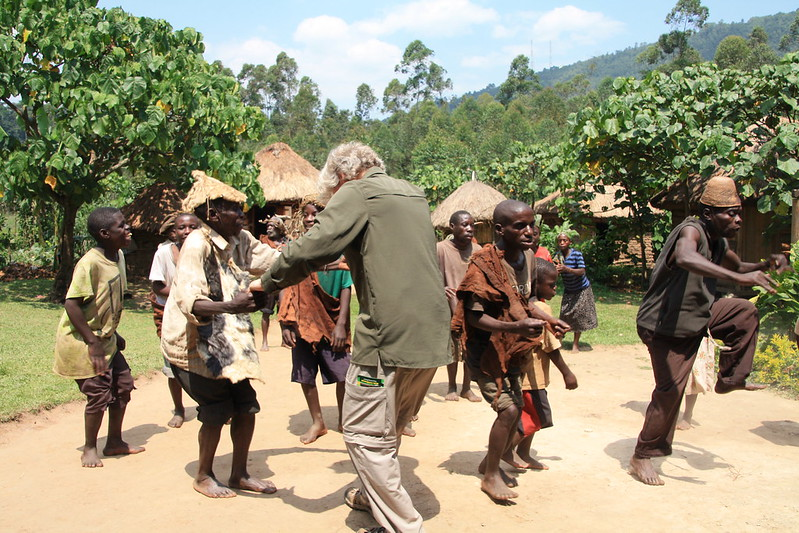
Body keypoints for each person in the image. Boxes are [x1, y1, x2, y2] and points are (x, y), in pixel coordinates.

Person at [252, 142, 450, 533]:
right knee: (388, 426)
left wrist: (266, 283)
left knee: (361, 431)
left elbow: (312, 245)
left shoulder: (357, 192)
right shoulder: (411, 192)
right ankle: (368, 495)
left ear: (341, 177)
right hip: (430, 335)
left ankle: (404, 526)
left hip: (387, 339)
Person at [630, 175, 781, 486]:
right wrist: (741, 280)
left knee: (744, 311)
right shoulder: (690, 231)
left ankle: (730, 378)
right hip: (664, 325)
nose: (739, 219)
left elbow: (739, 268)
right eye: (731, 213)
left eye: (739, 212)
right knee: (670, 391)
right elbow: (685, 257)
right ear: (709, 213)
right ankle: (642, 456)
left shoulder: (718, 241)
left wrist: (766, 265)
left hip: (697, 316)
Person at [160, 171, 279, 498]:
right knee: (215, 410)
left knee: (246, 407)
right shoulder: (196, 245)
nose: (242, 214)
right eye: (234, 209)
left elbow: (274, 261)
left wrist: (319, 254)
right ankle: (203, 475)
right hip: (193, 346)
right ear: (213, 214)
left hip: (229, 340)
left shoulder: (242, 240)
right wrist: (232, 305)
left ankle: (239, 473)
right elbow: (191, 302)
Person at [452, 200, 569, 502]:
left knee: (515, 409)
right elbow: (475, 317)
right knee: (510, 410)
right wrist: (516, 328)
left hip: (513, 350)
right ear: (501, 230)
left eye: (531, 224)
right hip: (485, 350)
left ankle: (487, 464)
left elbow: (524, 302)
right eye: (520, 226)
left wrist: (549, 319)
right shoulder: (484, 262)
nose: (529, 231)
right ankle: (490, 476)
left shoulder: (528, 258)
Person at [53, 207, 145, 467]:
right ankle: (90, 448)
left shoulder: (118, 256)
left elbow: (106, 301)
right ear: (105, 234)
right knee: (98, 394)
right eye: (122, 226)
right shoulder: (90, 263)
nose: (128, 228)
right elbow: (72, 304)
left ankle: (114, 441)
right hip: (83, 342)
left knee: (123, 385)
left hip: (106, 339)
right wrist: (92, 342)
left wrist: (114, 332)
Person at [278, 199, 353, 444]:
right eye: (307, 215)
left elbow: (345, 286)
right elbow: (284, 283)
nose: (311, 219)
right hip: (302, 320)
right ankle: (317, 421)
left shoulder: (339, 248)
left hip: (332, 320)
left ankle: (344, 419)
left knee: (343, 372)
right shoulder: (295, 248)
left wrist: (341, 324)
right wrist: (285, 320)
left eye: (316, 214)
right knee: (305, 373)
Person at [505, 258, 578, 471]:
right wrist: (567, 373)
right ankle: (502, 451)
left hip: (531, 376)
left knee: (532, 417)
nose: (555, 289)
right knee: (536, 417)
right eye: (551, 285)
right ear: (535, 284)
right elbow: (551, 347)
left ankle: (524, 453)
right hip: (531, 378)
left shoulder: (528, 306)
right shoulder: (540, 308)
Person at [148, 212, 200, 428]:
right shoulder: (163, 254)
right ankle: (179, 409)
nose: (187, 232)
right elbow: (157, 286)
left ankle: (205, 403)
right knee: (172, 365)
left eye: (192, 227)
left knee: (203, 361)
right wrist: (184, 294)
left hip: (198, 313)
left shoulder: (203, 251)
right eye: (182, 228)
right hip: (170, 314)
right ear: (174, 232)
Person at [437, 210, 481, 402]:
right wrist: (442, 289)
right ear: (453, 227)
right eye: (464, 225)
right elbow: (434, 276)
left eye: (471, 225)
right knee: (453, 348)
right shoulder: (441, 249)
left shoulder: (478, 251)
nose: (469, 229)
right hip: (449, 307)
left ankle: (466, 387)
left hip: (473, 307)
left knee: (471, 347)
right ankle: (452, 386)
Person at [555, 232, 597, 352]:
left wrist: (566, 269)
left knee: (578, 316)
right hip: (569, 289)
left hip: (581, 289)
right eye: (560, 241)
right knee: (564, 314)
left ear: (570, 242)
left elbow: (582, 271)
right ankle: (559, 342)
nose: (562, 243)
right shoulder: (558, 256)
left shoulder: (576, 255)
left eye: (565, 240)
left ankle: (575, 344)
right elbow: (555, 270)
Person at [258, 216, 288, 351]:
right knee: (266, 312)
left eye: (272, 226)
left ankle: (284, 339)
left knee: (282, 311)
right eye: (267, 226)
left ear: (279, 229)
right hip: (269, 281)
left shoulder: (288, 242)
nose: (268, 229)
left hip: (284, 281)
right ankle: (264, 341)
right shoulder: (263, 242)